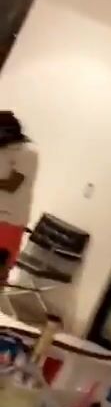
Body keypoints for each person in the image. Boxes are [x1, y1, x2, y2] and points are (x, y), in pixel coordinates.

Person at [0, 111, 38, 282]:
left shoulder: (27, 153)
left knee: (1, 266)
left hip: (10, 219)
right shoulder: (4, 149)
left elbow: (12, 185)